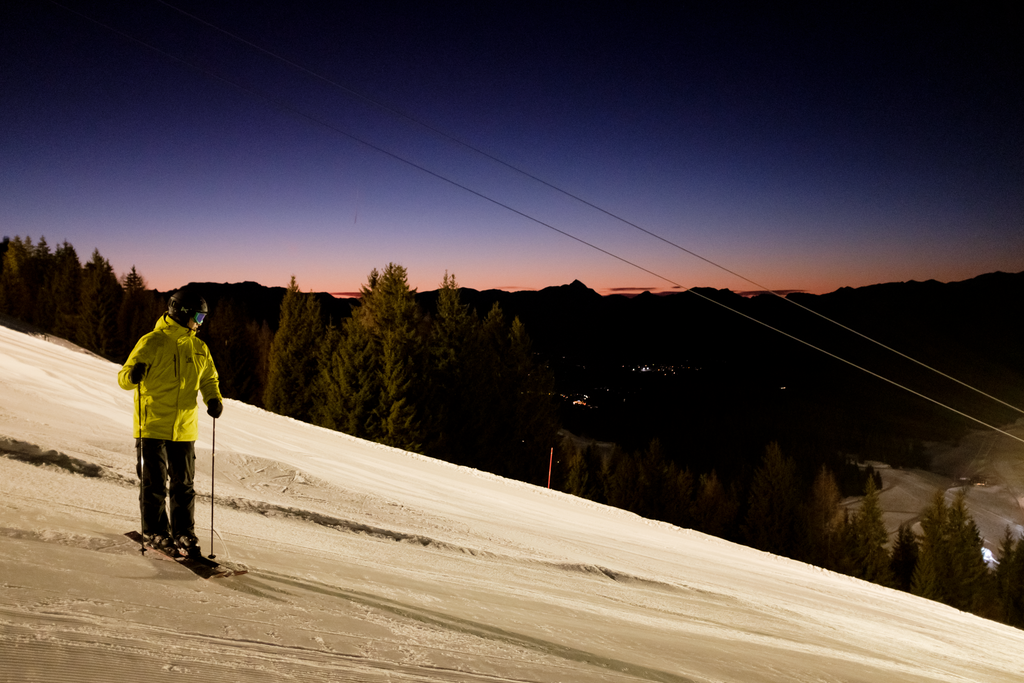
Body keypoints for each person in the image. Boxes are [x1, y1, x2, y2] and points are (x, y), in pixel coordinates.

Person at [118, 287, 223, 558]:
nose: (200, 323)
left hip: (185, 429)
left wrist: (213, 399)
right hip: (152, 426)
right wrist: (133, 375)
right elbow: (124, 377)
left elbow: (209, 379)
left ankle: (183, 533)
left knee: (183, 485)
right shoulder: (152, 342)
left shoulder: (199, 348)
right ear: (182, 313)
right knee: (153, 484)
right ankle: (155, 530)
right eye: (198, 317)